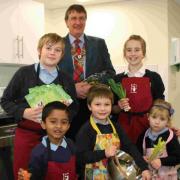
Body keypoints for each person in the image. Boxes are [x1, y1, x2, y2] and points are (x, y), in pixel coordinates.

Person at [1, 33, 78, 180]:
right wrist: (23, 112)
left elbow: (75, 107)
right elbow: (5, 100)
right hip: (27, 136)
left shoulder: (66, 79)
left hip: (56, 139)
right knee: (25, 175)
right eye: (48, 48)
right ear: (39, 50)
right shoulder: (24, 73)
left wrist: (64, 114)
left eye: (57, 50)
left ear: (62, 55)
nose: (52, 52)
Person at [58, 4, 115, 140]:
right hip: (66, 105)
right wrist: (73, 88)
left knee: (92, 145)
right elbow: (51, 77)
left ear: (85, 21)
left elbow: (110, 73)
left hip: (93, 106)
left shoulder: (99, 44)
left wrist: (92, 86)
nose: (78, 22)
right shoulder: (57, 45)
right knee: (69, 145)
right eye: (73, 18)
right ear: (67, 22)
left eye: (81, 18)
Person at [76, 84, 151, 180]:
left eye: (107, 104)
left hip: (115, 175)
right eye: (97, 104)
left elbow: (130, 147)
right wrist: (104, 153)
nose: (102, 109)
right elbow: (80, 157)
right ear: (89, 106)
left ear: (112, 106)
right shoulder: (86, 130)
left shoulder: (116, 127)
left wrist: (143, 168)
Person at [112, 34, 165, 144]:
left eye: (137, 50)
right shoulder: (117, 79)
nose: (132, 54)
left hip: (149, 128)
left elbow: (161, 106)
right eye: (129, 50)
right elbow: (112, 109)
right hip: (123, 127)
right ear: (124, 53)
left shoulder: (154, 77)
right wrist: (119, 106)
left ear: (143, 53)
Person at [18, 101, 78, 180]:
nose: (59, 126)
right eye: (53, 122)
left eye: (64, 122)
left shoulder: (71, 144)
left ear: (68, 126)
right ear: (43, 124)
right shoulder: (38, 152)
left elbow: (77, 169)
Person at [137, 99, 180, 179]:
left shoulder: (170, 136)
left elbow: (177, 157)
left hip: (167, 176)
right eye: (154, 117)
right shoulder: (143, 136)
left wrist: (162, 161)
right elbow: (137, 152)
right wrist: (142, 158)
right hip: (150, 176)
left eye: (162, 119)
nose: (157, 122)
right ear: (148, 116)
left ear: (167, 121)